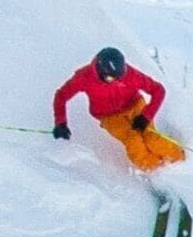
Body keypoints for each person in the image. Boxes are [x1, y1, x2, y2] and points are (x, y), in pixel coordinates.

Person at [53, 46, 184, 170]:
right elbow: (61, 95)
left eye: (121, 76)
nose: (118, 81)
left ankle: (181, 160)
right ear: (101, 71)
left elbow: (158, 90)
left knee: (152, 138)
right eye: (112, 78)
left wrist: (146, 116)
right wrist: (61, 123)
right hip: (110, 117)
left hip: (135, 106)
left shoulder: (130, 75)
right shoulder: (84, 77)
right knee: (134, 142)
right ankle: (157, 171)